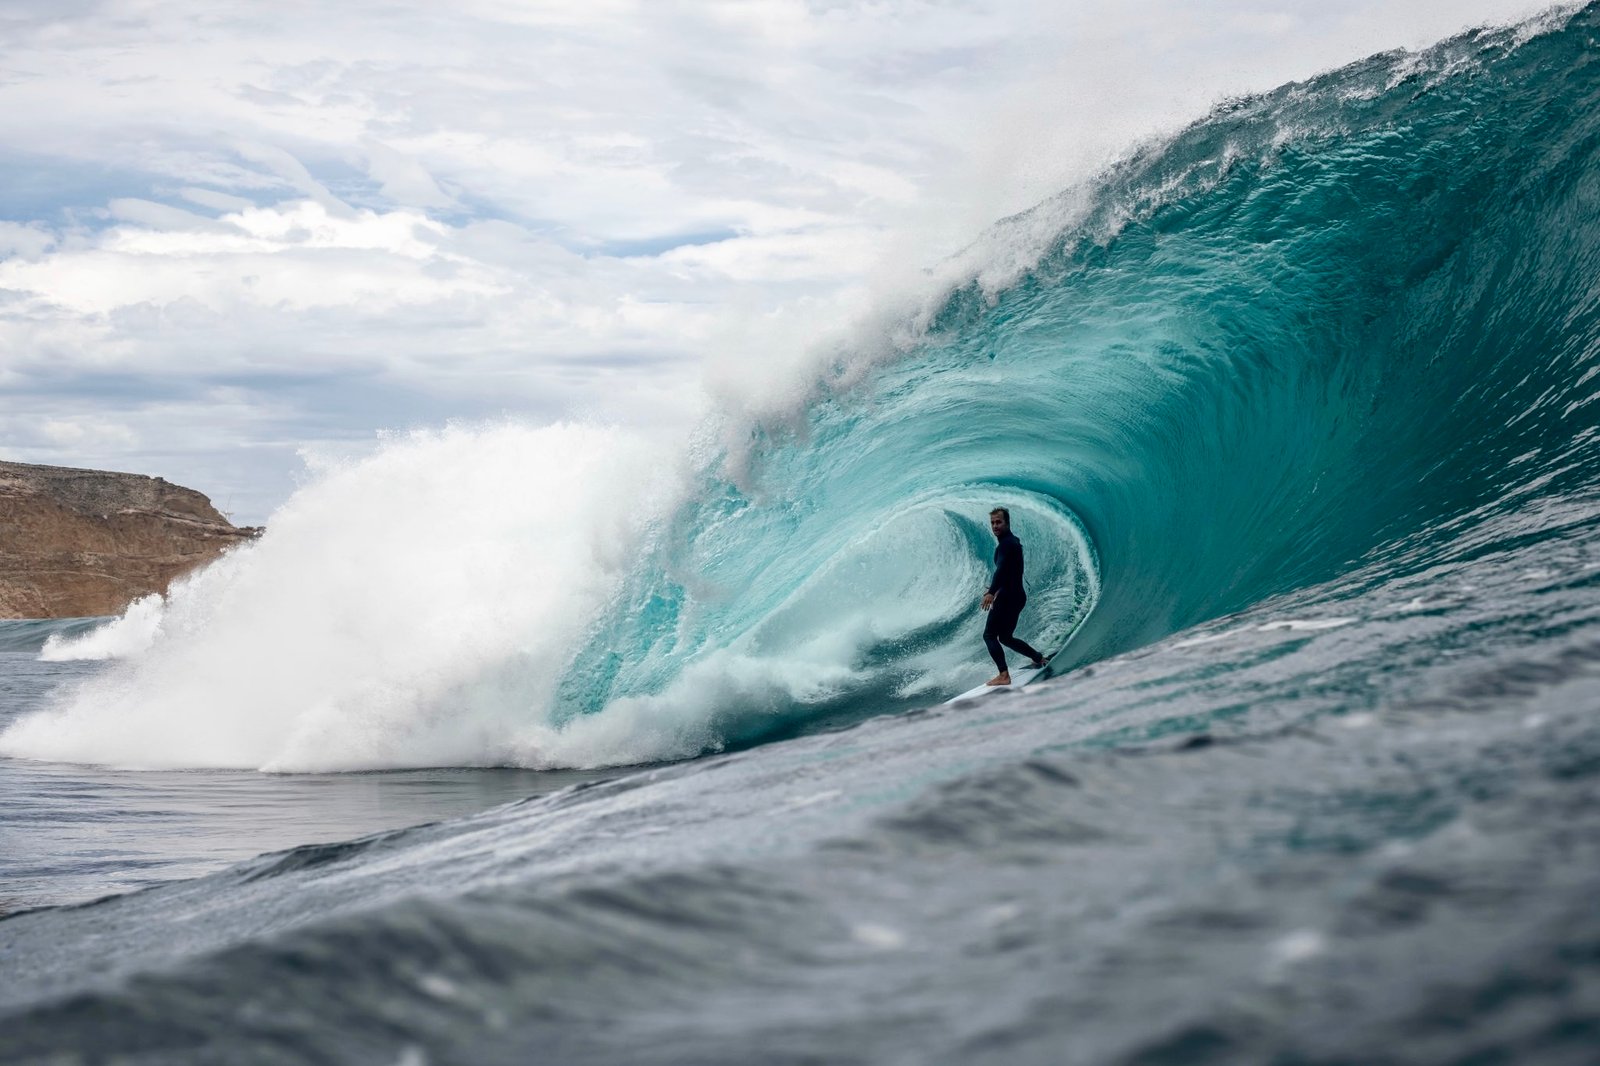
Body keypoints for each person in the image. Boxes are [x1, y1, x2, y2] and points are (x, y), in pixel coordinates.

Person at [981, 507, 1048, 686]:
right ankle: (1038, 657)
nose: (995, 526)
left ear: (1007, 523)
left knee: (989, 635)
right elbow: (1010, 571)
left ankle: (1004, 675)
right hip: (1016, 596)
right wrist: (998, 588)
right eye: (993, 522)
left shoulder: (1007, 544)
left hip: (1008, 598)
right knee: (1005, 637)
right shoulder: (1012, 542)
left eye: (998, 522)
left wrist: (991, 591)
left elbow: (1002, 568)